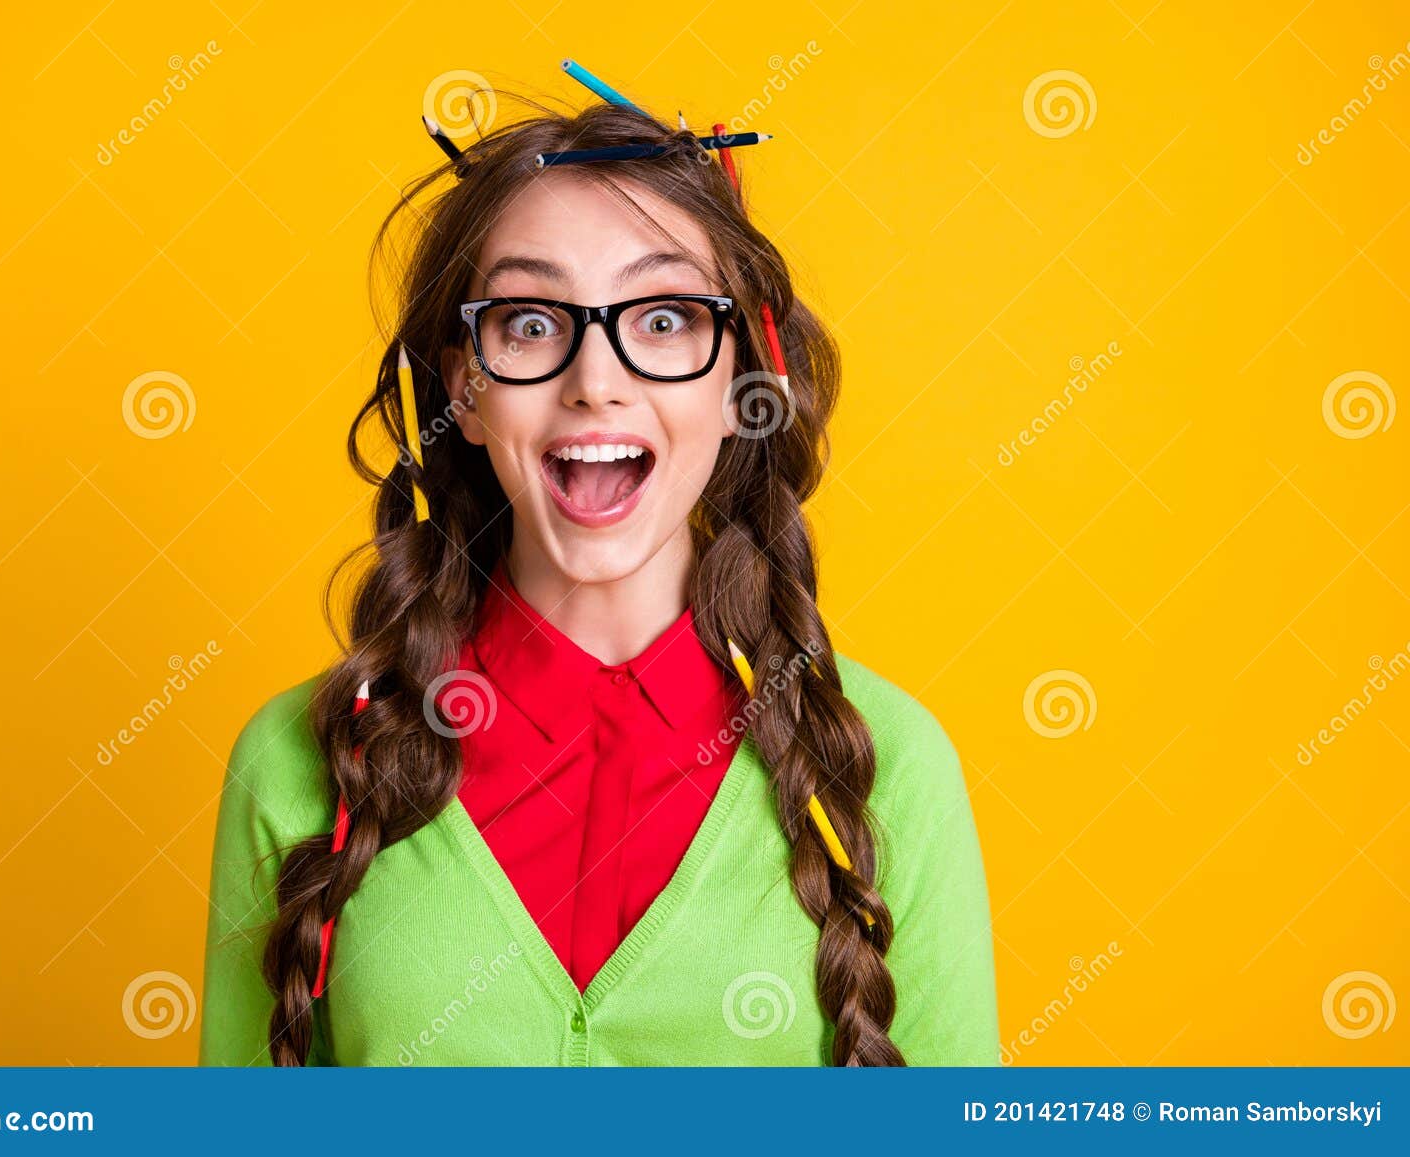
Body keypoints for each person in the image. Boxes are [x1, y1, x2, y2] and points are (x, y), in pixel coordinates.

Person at [199, 94, 997, 1067]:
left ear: (737, 377)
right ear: (465, 389)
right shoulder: (299, 765)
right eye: (532, 321)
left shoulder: (888, 768)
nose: (595, 379)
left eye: (661, 317)